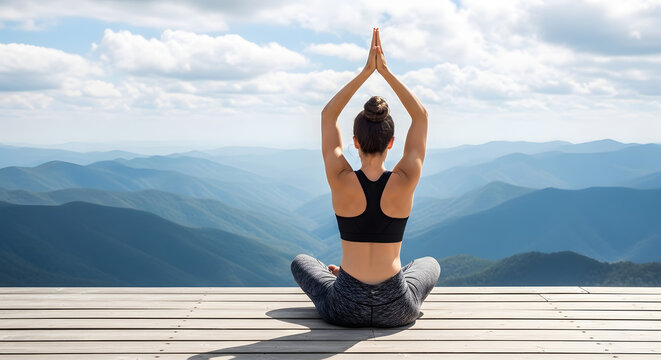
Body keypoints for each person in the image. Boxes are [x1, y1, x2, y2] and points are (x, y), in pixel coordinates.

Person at [290, 27, 440, 328]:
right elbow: (421, 116)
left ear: (355, 141)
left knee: (301, 262)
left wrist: (365, 72)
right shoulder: (406, 177)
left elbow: (327, 116)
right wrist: (384, 71)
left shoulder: (340, 177)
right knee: (429, 264)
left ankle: (340, 275)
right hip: (398, 307)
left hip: (344, 306)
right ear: (392, 142)